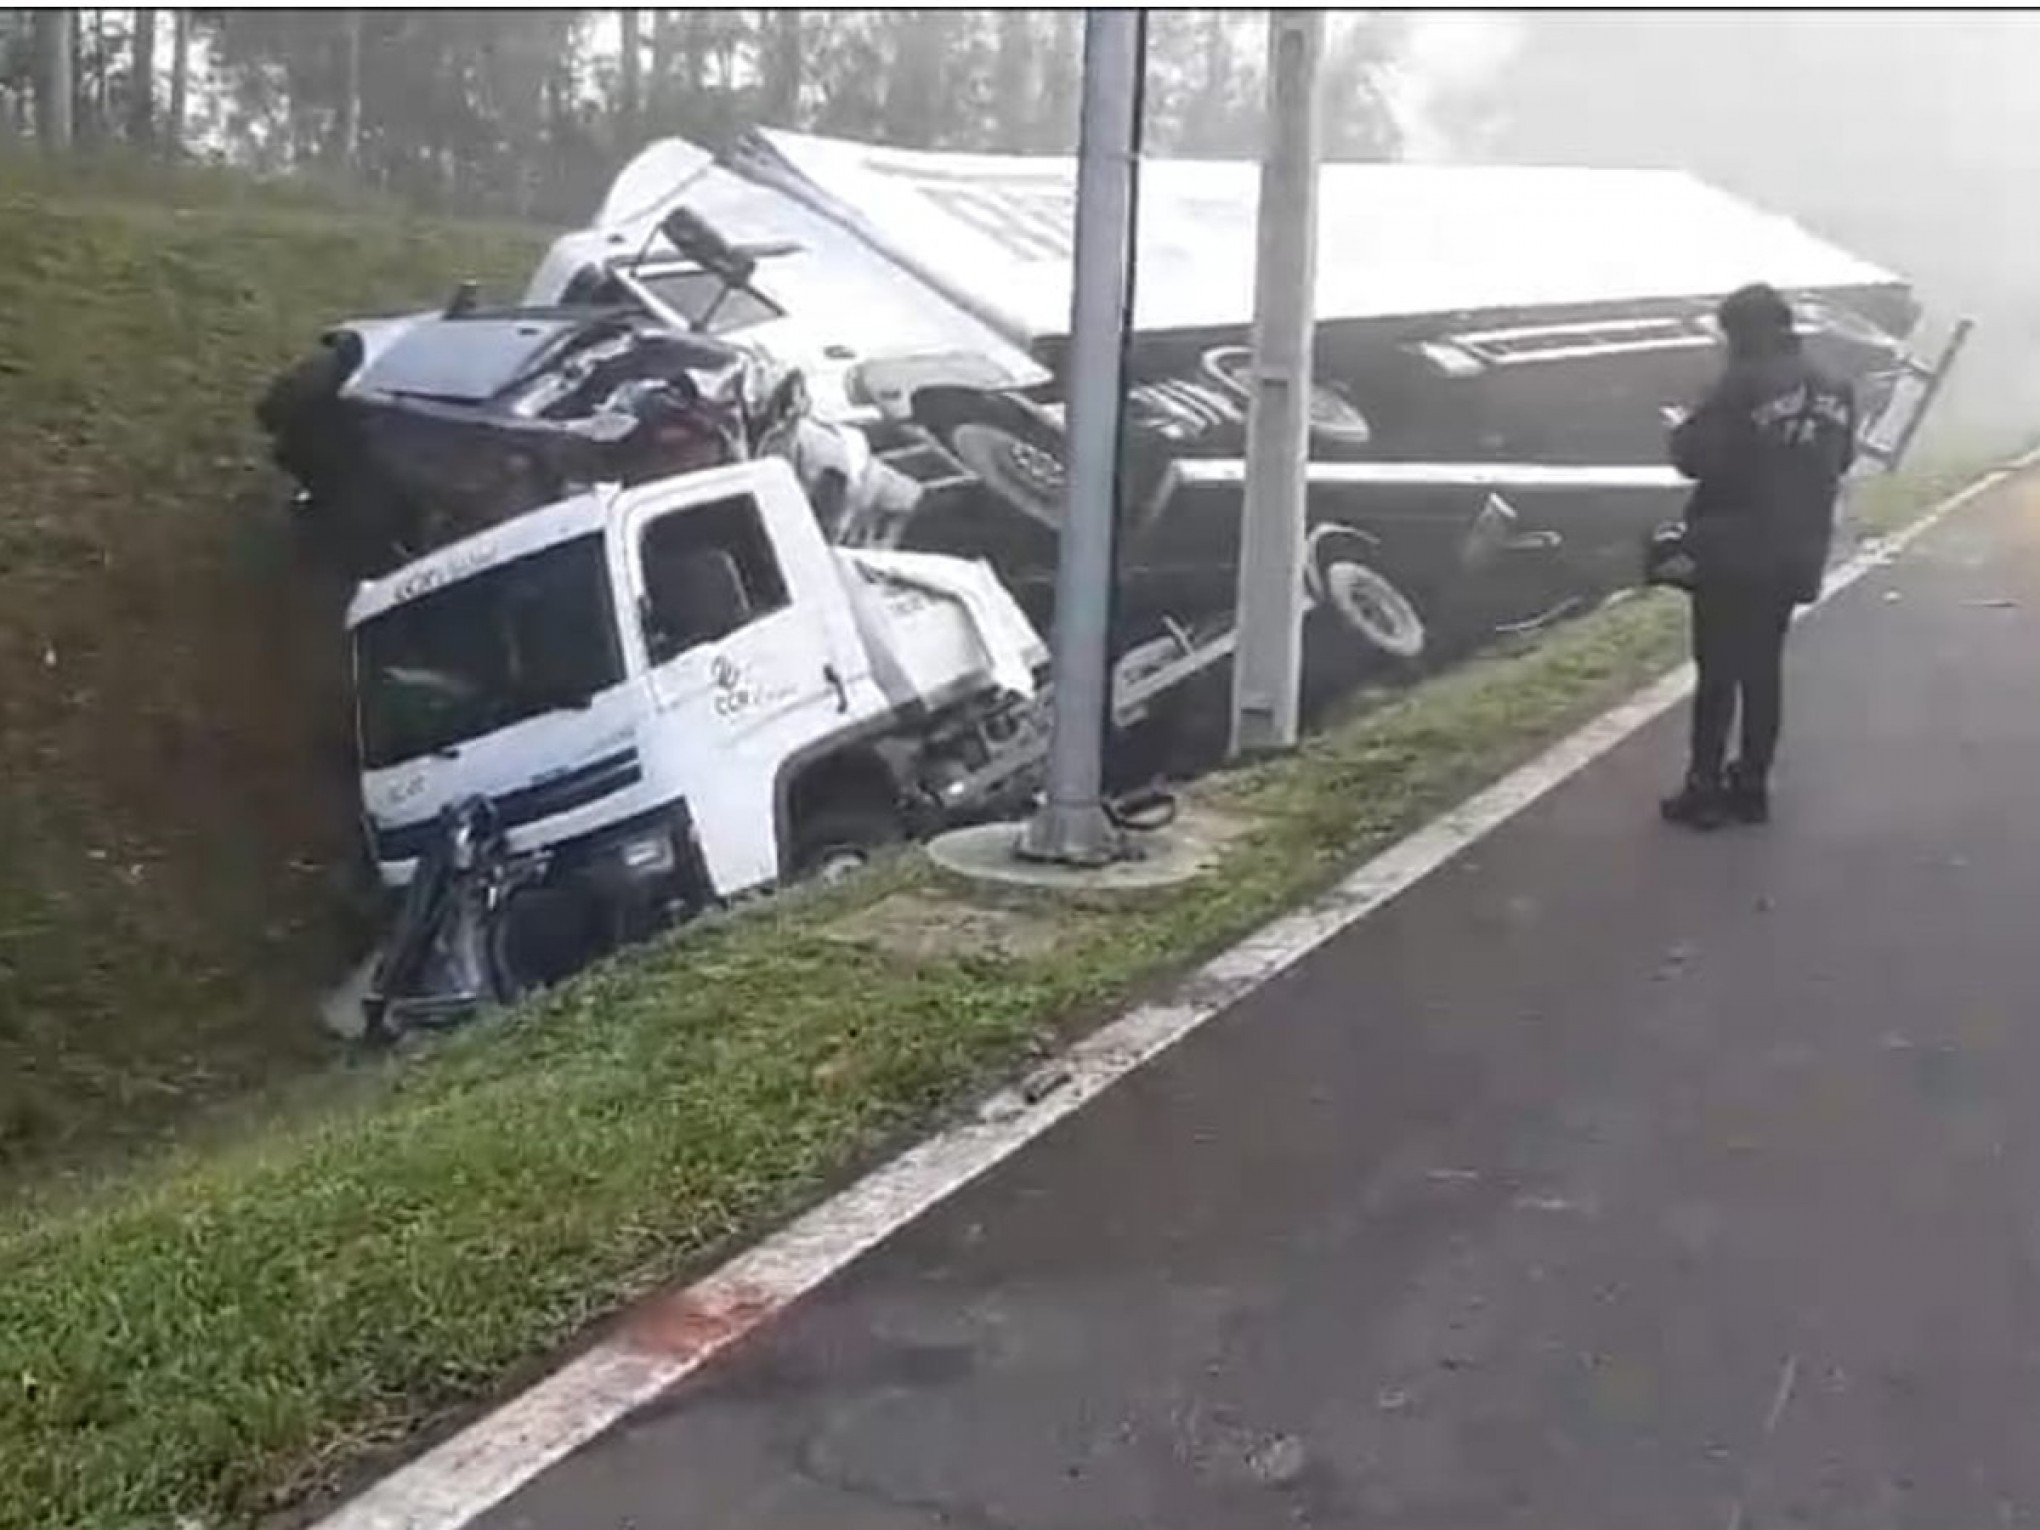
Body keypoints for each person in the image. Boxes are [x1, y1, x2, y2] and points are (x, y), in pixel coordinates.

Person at [1660, 282, 1857, 830]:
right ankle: (1751, 786)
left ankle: (1702, 789)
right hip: (1797, 547)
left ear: (1742, 331)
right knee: (1763, 669)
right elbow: (1840, 460)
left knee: (1718, 670)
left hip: (1732, 545)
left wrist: (1687, 422)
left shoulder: (1741, 382)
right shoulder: (1836, 385)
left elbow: (1693, 457)